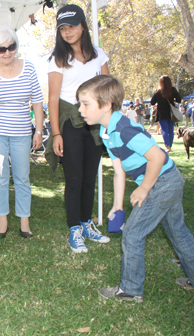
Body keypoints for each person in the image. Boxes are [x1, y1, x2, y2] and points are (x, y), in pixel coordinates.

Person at [76, 74, 194, 302]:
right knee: (178, 233)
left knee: (132, 233)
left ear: (106, 105)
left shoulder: (124, 129)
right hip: (168, 180)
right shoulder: (106, 131)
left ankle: (130, 290)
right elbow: (119, 171)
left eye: (85, 104)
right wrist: (117, 207)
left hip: (162, 182)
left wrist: (144, 188)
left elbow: (158, 157)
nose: (80, 109)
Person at [46, 4, 110, 253]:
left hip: (94, 126)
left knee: (90, 178)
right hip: (70, 124)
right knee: (73, 179)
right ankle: (74, 230)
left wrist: (109, 122)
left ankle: (86, 224)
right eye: (62, 28)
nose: (67, 31)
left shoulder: (99, 55)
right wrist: (57, 134)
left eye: (71, 26)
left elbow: (107, 90)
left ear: (83, 25)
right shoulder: (58, 59)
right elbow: (52, 98)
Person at [0, 25, 44, 239]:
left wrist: (39, 131)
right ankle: (2, 221)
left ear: (16, 46)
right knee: (0, 177)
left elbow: (38, 102)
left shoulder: (29, 68)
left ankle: (24, 221)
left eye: (11, 47)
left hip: (23, 134)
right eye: (1, 49)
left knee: (22, 177)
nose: (7, 52)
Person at [150, 75, 181, 152]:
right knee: (171, 130)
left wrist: (158, 102)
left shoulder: (157, 91)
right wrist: (173, 100)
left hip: (161, 113)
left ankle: (167, 146)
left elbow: (152, 102)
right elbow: (179, 100)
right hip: (171, 113)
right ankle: (170, 145)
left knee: (164, 130)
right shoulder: (173, 90)